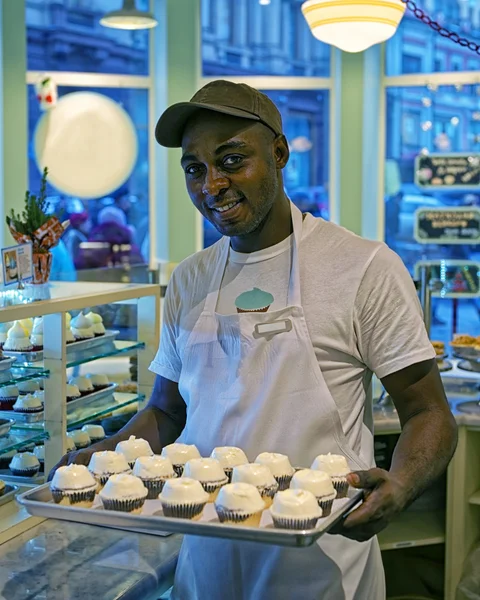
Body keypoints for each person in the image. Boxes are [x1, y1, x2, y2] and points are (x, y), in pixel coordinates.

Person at [52, 81, 457, 600]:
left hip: (321, 566)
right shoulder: (190, 280)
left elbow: (429, 413)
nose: (212, 184)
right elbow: (166, 411)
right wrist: (102, 460)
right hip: (206, 563)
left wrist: (401, 483)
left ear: (280, 153)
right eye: (195, 169)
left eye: (232, 159)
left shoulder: (363, 267)